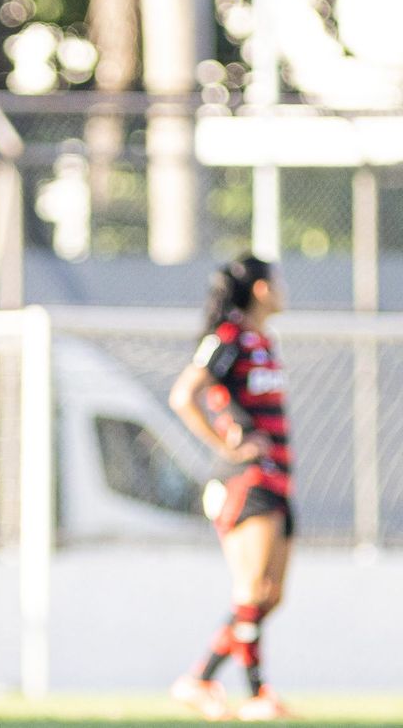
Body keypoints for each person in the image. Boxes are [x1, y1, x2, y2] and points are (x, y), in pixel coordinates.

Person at [167, 254, 293, 722]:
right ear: (260, 289)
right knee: (252, 589)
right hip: (247, 480)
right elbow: (185, 395)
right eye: (277, 280)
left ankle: (211, 683)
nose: (284, 288)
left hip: (278, 478)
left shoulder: (263, 340)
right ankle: (245, 691)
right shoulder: (229, 339)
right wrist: (228, 445)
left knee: (269, 595)